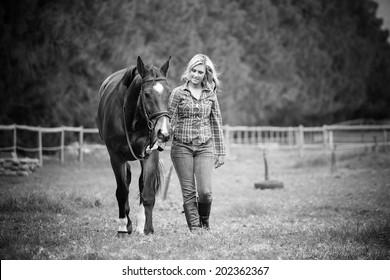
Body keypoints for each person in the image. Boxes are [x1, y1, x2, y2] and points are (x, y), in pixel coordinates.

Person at [168, 54, 226, 232]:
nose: (196, 75)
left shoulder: (210, 94)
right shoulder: (178, 93)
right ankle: (195, 228)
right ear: (189, 70)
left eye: (200, 72)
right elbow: (168, 119)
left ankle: (204, 222)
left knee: (205, 192)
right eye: (193, 70)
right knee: (188, 191)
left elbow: (216, 122)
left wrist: (221, 151)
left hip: (204, 146)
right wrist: (159, 141)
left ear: (206, 74)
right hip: (181, 146)